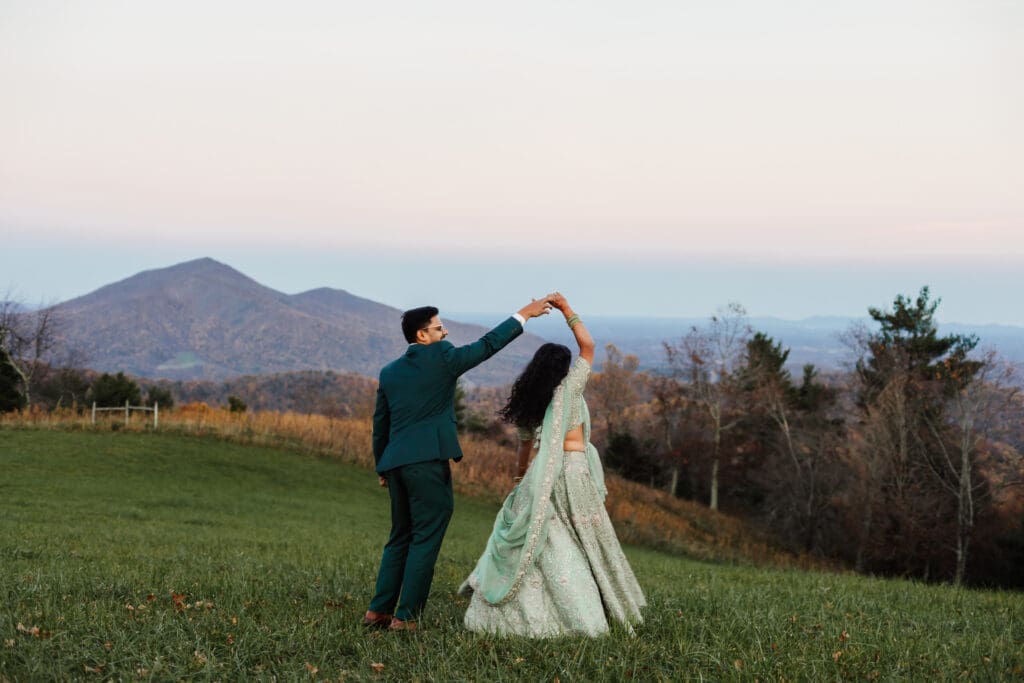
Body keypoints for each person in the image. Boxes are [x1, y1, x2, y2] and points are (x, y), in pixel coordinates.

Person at [459, 293, 646, 637]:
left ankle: (532, 604)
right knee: (586, 539)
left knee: (546, 539)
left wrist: (519, 479)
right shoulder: (570, 390)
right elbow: (588, 346)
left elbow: (525, 448)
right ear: (563, 370)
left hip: (540, 475)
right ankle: (590, 607)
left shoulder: (532, 402)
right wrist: (566, 310)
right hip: (573, 472)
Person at [363, 297, 555, 632]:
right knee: (425, 537)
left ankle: (378, 612)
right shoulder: (442, 357)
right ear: (422, 336)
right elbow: (488, 345)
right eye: (438, 328)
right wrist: (524, 314)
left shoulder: (389, 372)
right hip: (427, 463)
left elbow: (381, 424)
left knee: (399, 537)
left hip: (395, 463)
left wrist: (383, 467)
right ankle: (406, 617)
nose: (445, 331)